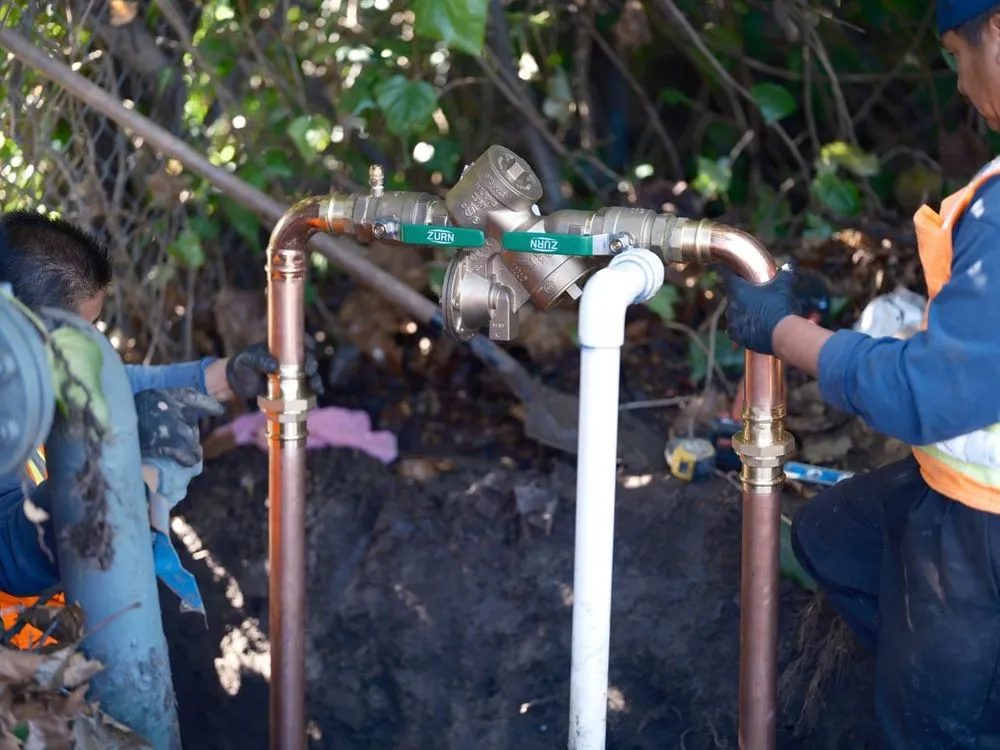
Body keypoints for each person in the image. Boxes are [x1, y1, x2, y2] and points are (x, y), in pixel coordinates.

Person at [719, 3, 1000, 747]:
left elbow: (930, 393)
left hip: (986, 525)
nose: (964, 88)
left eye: (954, 56)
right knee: (837, 535)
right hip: (960, 494)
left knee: (938, 728)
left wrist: (778, 332)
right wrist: (827, 328)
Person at [0, 209, 322, 640]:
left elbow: (115, 384)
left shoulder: (25, 378)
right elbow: (8, 556)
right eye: (75, 336)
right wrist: (99, 482)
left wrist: (227, 376)